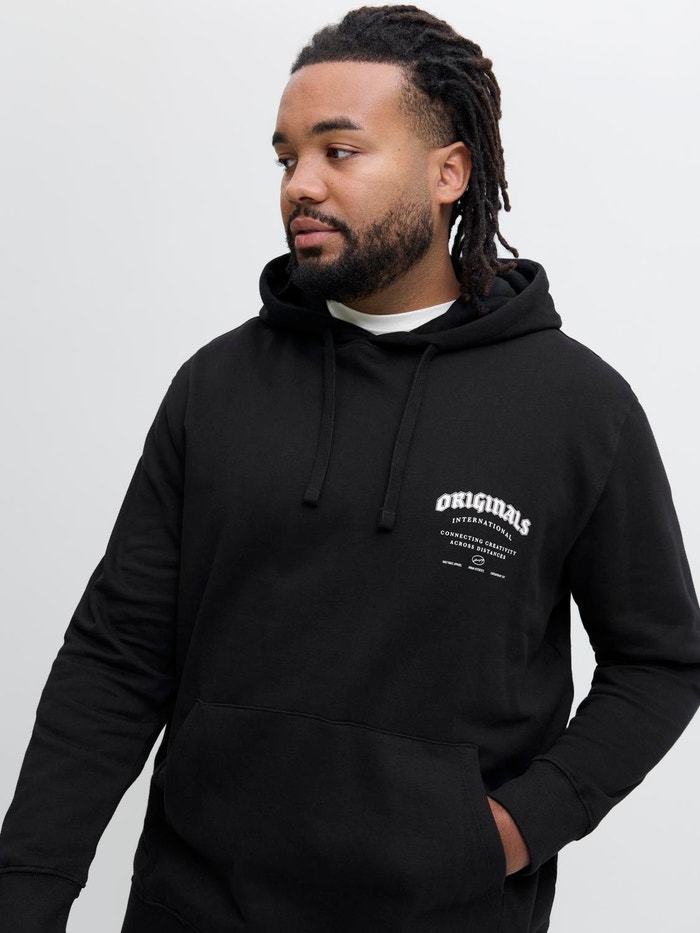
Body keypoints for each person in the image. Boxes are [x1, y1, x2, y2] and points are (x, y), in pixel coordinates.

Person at [1, 5, 699, 931]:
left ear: (450, 173)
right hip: (194, 907)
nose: (301, 184)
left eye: (339, 151)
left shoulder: (579, 408)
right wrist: (29, 887)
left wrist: (514, 828)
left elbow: (661, 659)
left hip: (445, 914)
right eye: (287, 158)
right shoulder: (216, 386)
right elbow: (117, 654)